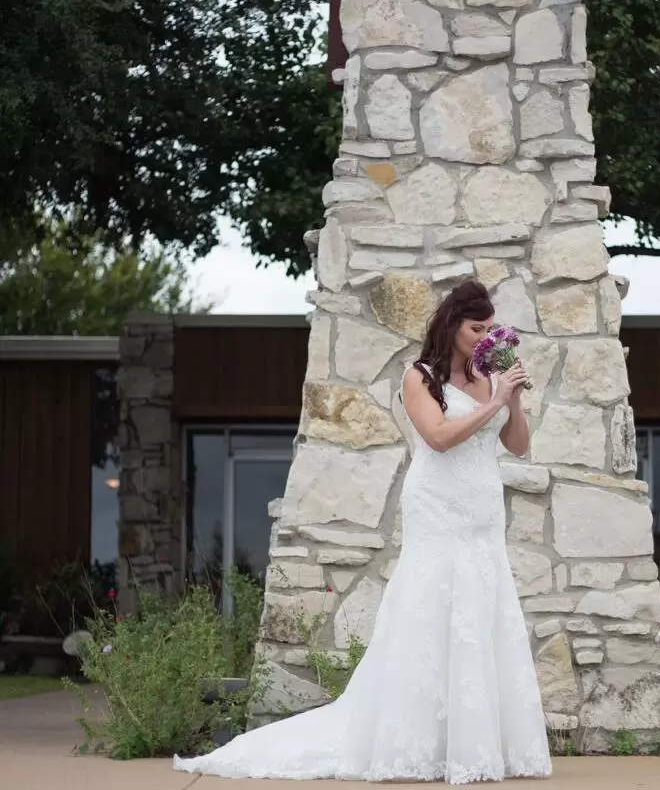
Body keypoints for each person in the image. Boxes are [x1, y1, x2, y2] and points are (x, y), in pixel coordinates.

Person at [174, 280, 552, 783]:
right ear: (452, 326)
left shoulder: (489, 377)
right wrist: (493, 402)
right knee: (430, 608)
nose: (483, 337)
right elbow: (438, 438)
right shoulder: (420, 376)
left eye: (489, 328)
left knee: (481, 611)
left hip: (482, 513)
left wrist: (514, 398)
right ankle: (414, 741)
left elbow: (519, 446)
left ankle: (472, 742)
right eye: (475, 328)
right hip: (437, 509)